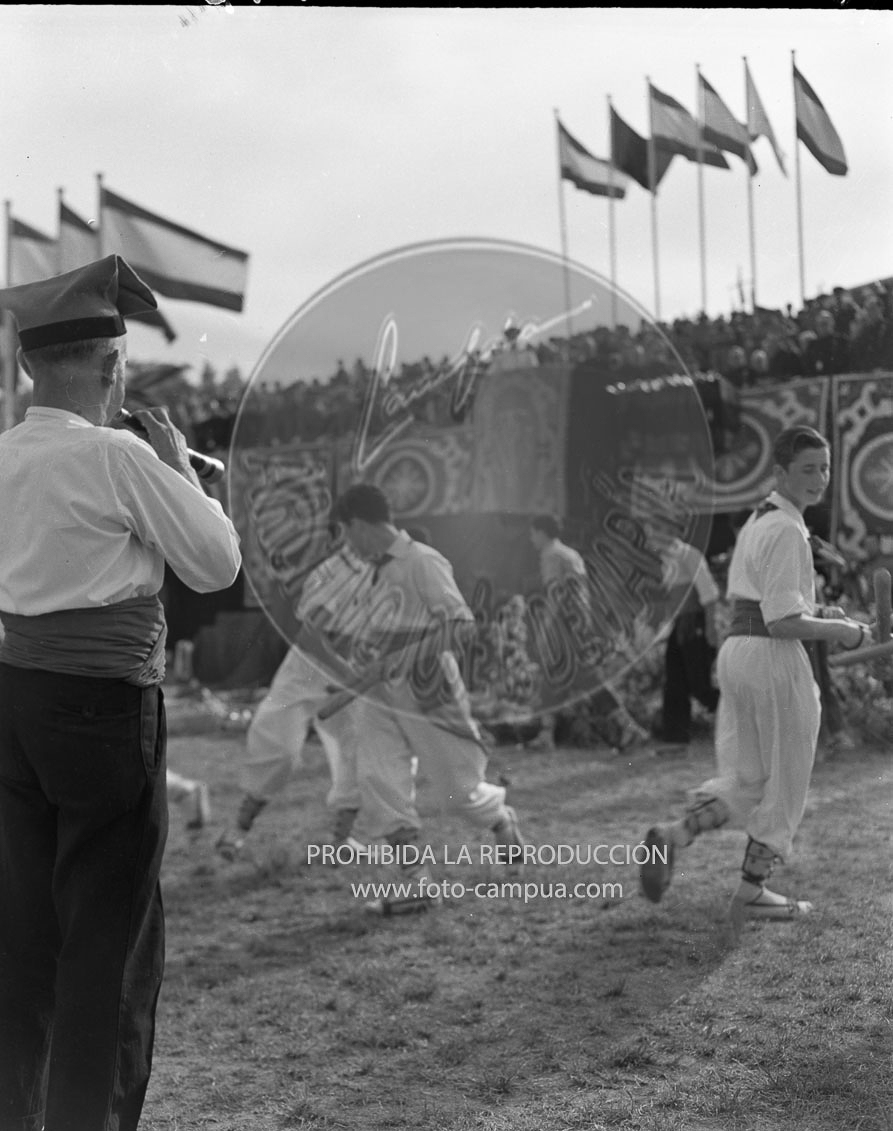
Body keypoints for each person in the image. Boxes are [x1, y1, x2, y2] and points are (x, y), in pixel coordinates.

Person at [0, 255, 242, 1131]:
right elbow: (216, 564)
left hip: (14, 702)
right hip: (103, 711)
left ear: (29, 367)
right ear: (114, 370)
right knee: (110, 941)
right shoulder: (118, 456)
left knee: (23, 933)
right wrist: (177, 472)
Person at [639, 425, 872, 927]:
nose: (819, 478)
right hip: (771, 656)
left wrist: (832, 617)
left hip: (740, 653)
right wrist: (847, 634)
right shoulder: (788, 530)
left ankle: (674, 835)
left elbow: (774, 602)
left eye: (825, 468)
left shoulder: (761, 519)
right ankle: (752, 890)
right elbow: (783, 620)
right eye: (808, 468)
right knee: (786, 777)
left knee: (749, 776)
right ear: (781, 472)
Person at [330, 484, 525, 906]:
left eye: (345, 532)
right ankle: (417, 883)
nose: (347, 543)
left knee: (458, 792)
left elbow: (461, 626)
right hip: (379, 692)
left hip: (427, 686)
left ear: (359, 525)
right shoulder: (371, 569)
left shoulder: (423, 561)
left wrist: (405, 656)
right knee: (378, 778)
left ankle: (500, 818)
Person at [215, 526, 375, 861]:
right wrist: (350, 674)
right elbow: (309, 640)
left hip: (347, 680)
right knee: (279, 752)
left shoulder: (383, 573)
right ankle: (237, 831)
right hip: (306, 673)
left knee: (359, 753)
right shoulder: (335, 572)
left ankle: (341, 842)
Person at [528, 515, 650, 753]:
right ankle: (547, 733)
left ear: (541, 532)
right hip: (579, 623)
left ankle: (629, 728)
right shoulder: (571, 554)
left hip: (564, 625)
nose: (531, 538)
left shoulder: (551, 555)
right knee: (562, 677)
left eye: (532, 533)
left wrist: (545, 628)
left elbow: (556, 594)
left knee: (580, 677)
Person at [647, 527, 721, 754]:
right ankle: (676, 740)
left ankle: (740, 719)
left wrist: (710, 628)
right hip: (680, 625)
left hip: (695, 624)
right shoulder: (664, 560)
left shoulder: (688, 554)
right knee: (675, 683)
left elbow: (708, 594)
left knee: (700, 684)